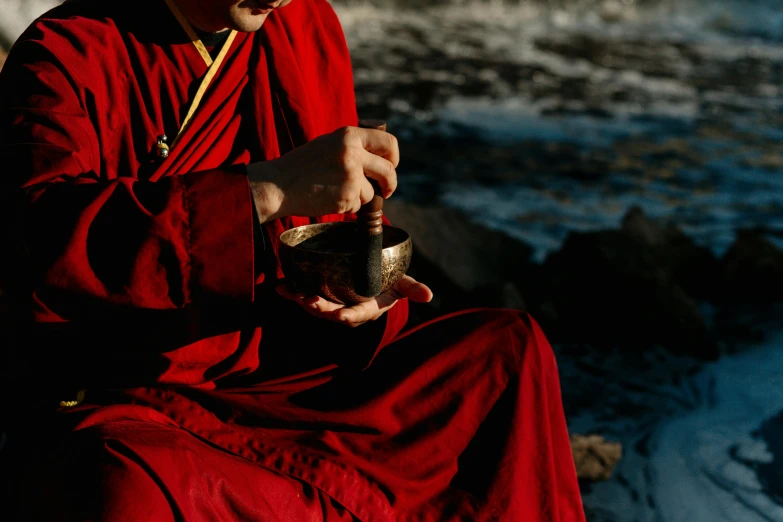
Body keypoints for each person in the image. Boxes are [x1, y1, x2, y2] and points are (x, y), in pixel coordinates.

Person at [0, 0, 586, 520]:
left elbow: (317, 234)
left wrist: (356, 298)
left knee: (507, 354)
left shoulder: (306, 24)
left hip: (279, 366)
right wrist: (265, 189)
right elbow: (42, 242)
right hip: (128, 386)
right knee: (127, 491)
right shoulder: (70, 50)